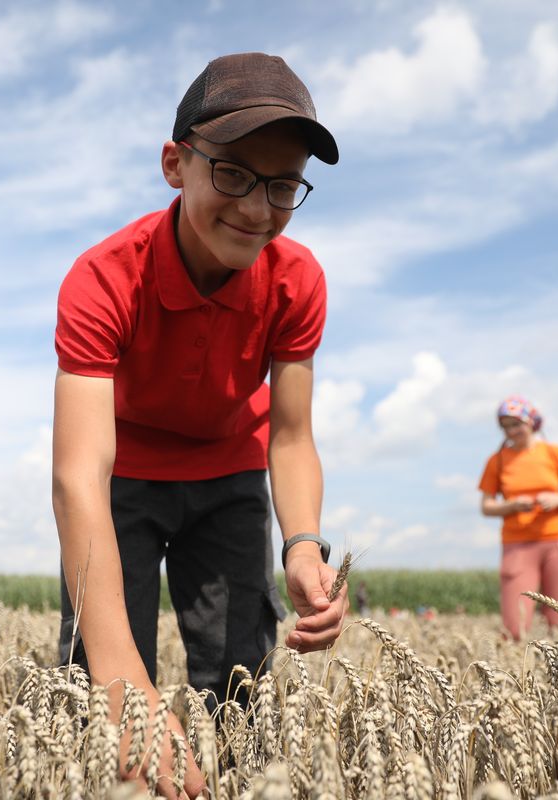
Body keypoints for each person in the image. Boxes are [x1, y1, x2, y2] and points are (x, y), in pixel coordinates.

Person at [51, 52, 347, 797]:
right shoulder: (102, 277)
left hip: (230, 475)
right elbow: (77, 474)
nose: (256, 207)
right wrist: (126, 691)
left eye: (283, 185)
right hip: (123, 480)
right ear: (175, 164)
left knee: (239, 679)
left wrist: (304, 545)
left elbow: (289, 435)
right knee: (102, 679)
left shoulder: (298, 280)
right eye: (234, 174)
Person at [478, 395, 558, 641]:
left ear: (532, 422)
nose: (511, 431)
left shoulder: (555, 453)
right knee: (514, 629)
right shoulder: (497, 461)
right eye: (505, 426)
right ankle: (518, 673)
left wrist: (556, 500)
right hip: (517, 545)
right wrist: (512, 506)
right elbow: (486, 506)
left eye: (516, 424)